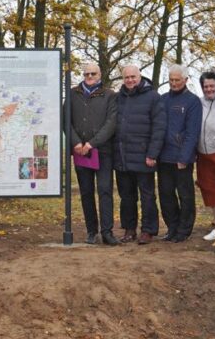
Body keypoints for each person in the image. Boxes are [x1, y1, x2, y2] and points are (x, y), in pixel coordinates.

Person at [114, 65, 166, 244]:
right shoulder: (118, 97)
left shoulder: (153, 97)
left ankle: (148, 230)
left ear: (140, 76)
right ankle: (129, 229)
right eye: (126, 77)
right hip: (122, 157)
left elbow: (159, 128)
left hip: (145, 156)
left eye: (133, 77)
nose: (130, 80)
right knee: (126, 197)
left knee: (147, 196)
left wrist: (152, 154)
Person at [70, 63, 119, 245]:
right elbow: (66, 120)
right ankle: (92, 231)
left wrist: (92, 143)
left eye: (93, 73)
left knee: (105, 190)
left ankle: (107, 231)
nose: (89, 76)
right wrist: (76, 142)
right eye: (86, 73)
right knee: (86, 192)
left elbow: (111, 123)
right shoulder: (73, 94)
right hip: (80, 151)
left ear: (100, 75)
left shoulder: (110, 95)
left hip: (102, 151)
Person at [157, 65, 201, 243]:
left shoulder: (192, 101)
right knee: (166, 195)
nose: (174, 83)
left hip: (181, 158)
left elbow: (192, 132)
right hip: (163, 157)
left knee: (185, 195)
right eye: (171, 80)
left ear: (185, 80)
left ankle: (184, 230)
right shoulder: (163, 99)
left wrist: (184, 157)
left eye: (177, 80)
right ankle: (171, 228)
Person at [196, 71, 215, 241]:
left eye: (211, 86)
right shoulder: (200, 103)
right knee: (213, 193)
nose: (208, 89)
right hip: (204, 154)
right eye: (205, 86)